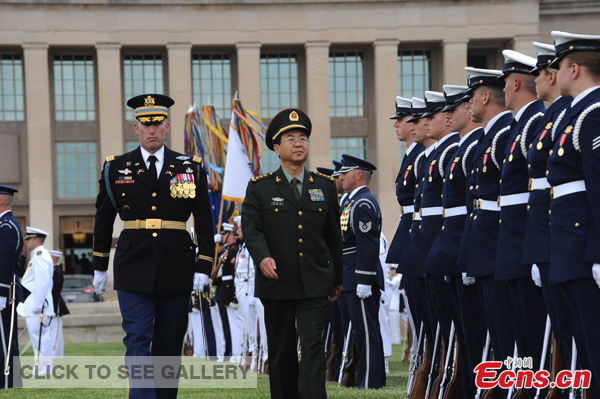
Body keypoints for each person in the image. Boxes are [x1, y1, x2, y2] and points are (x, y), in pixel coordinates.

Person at [92, 93, 215, 399]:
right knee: (136, 338)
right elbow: (103, 220)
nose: (151, 129)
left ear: (167, 126)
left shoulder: (190, 167)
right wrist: (98, 266)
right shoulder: (116, 168)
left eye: (157, 124)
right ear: (135, 128)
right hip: (134, 264)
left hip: (176, 265)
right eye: (145, 124)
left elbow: (203, 221)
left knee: (168, 343)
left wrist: (204, 264)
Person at [242, 108, 343, 399]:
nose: (299, 143)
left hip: (315, 280)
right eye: (290, 139)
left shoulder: (324, 187)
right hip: (277, 280)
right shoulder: (259, 189)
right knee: (282, 349)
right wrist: (262, 257)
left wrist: (338, 277)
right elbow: (251, 229)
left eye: (303, 138)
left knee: (313, 346)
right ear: (276, 148)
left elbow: (332, 235)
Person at [547, 30, 600, 396]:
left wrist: (599, 252)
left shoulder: (593, 114)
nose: (555, 74)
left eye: (559, 66)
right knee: (580, 341)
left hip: (583, 246)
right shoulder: (575, 113)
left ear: (575, 69)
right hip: (568, 245)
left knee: (594, 345)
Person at [497, 49, 548, 384]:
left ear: (516, 82)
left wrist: (538, 245)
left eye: (505, 84)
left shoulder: (533, 122)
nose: (502, 91)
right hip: (513, 239)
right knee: (519, 329)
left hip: (527, 238)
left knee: (531, 328)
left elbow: (539, 191)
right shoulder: (521, 124)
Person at [523, 41, 574, 375]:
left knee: (574, 330)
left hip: (568, 234)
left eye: (539, 74)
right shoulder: (551, 117)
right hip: (548, 231)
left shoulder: (570, 116)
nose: (536, 81)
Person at [338, 154, 386, 389]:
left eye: (345, 173)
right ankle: (364, 379)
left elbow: (367, 244)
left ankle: (370, 382)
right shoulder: (351, 202)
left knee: (367, 332)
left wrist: (365, 279)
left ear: (358, 175)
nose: (341, 177)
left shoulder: (363, 204)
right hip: (350, 276)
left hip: (359, 277)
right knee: (360, 331)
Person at [18, 226, 55, 376]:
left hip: (38, 305)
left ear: (35, 240)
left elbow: (42, 282)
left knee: (39, 338)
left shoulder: (40, 256)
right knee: (41, 338)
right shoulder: (40, 256)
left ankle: (42, 368)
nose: (26, 242)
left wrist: (37, 305)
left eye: (28, 239)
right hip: (37, 304)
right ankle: (44, 367)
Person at [0, 184, 24, 388]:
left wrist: (0, 292)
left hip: (5, 292)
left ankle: (10, 383)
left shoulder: (6, 227)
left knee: (5, 338)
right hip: (6, 290)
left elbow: (4, 262)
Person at [49, 249, 69, 358]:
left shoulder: (56, 272)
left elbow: (53, 290)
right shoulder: (55, 270)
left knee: (55, 332)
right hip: (53, 304)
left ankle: (56, 354)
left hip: (55, 305)